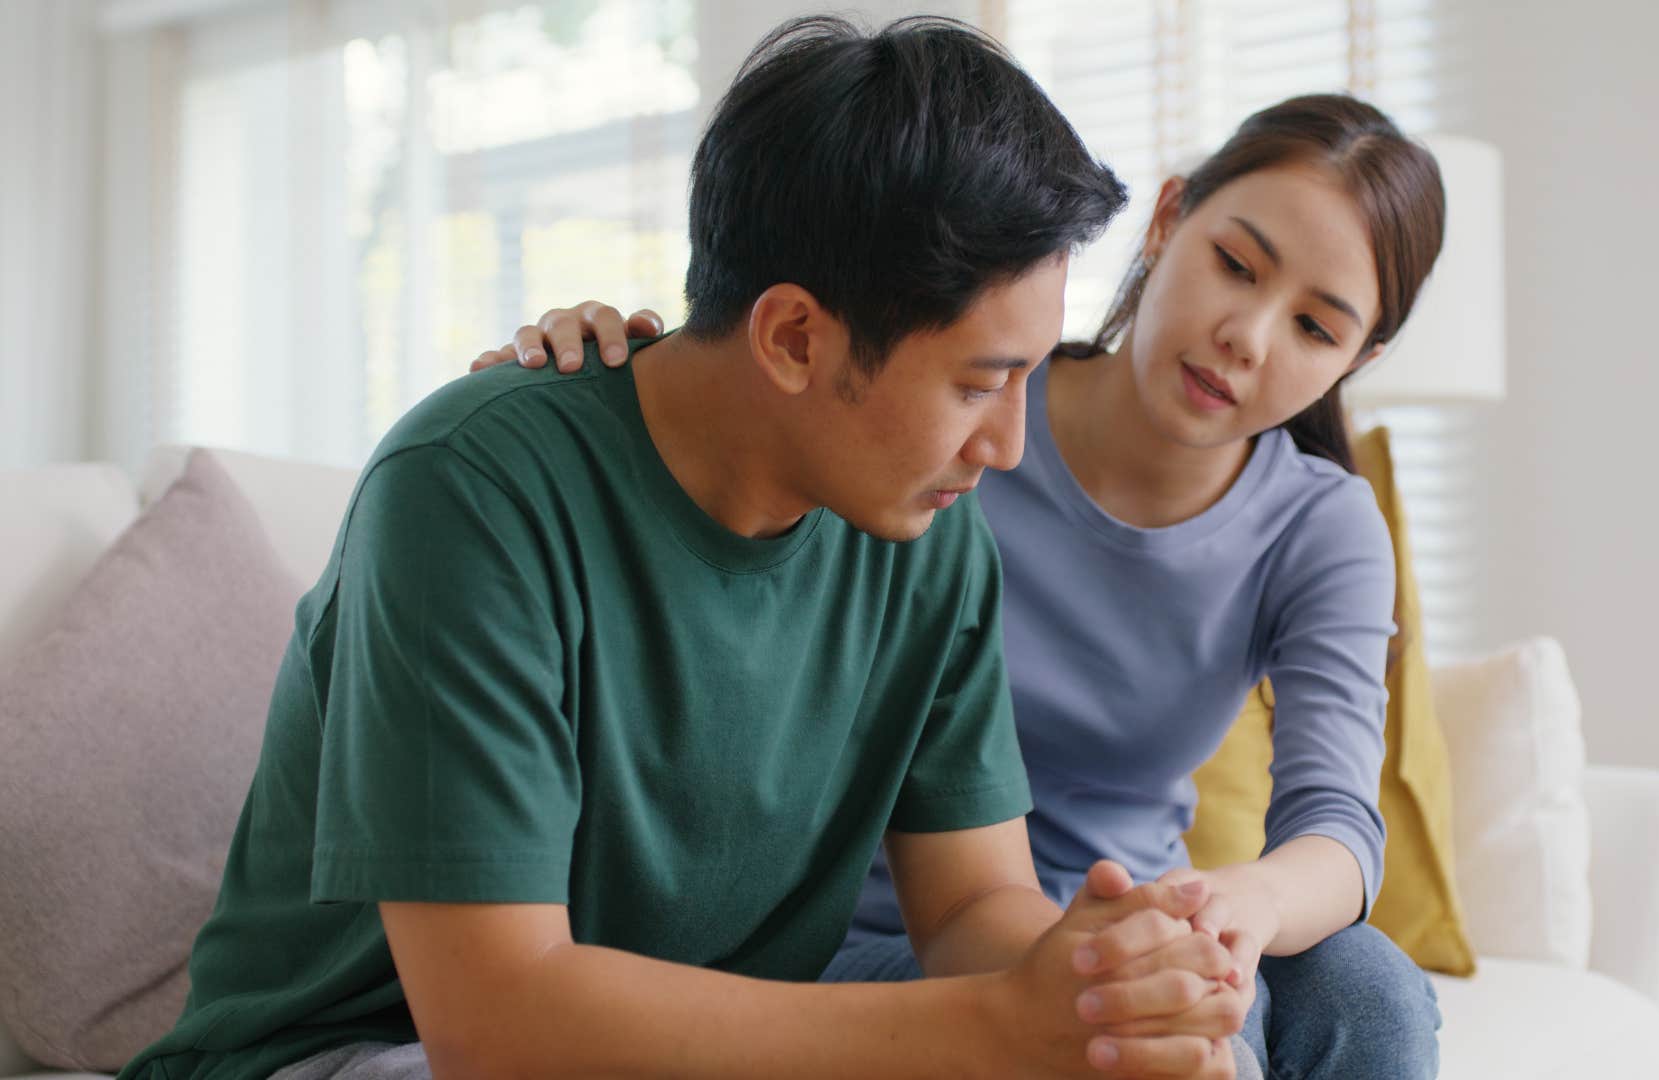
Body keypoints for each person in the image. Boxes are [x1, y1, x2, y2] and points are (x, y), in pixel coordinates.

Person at [119, 17, 1252, 1080]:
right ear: (796, 337)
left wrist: (1097, 979)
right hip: (351, 1053)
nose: (1008, 446)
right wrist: (993, 1025)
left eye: (1027, 378)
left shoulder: (927, 533)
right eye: (977, 383)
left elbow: (966, 911)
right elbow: (494, 1023)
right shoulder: (469, 490)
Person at [483, 93, 1450, 1078]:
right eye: (1235, 265)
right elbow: (759, 396)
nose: (1248, 335)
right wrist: (606, 358)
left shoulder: (1318, 525)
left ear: (1356, 362)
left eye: (1316, 329)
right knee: (1188, 1025)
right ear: (1167, 220)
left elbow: (1337, 825)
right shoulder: (938, 420)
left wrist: (1233, 907)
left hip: (1111, 918)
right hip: (879, 935)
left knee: (1363, 988)